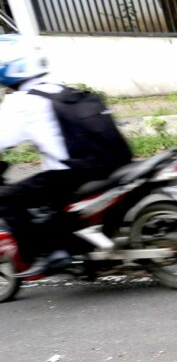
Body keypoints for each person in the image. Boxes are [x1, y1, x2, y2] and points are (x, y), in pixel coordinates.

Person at [0, 45, 133, 275]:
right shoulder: (61, 90)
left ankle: (47, 255)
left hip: (70, 174)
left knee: (7, 199)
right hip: (110, 163)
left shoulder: (21, 102)